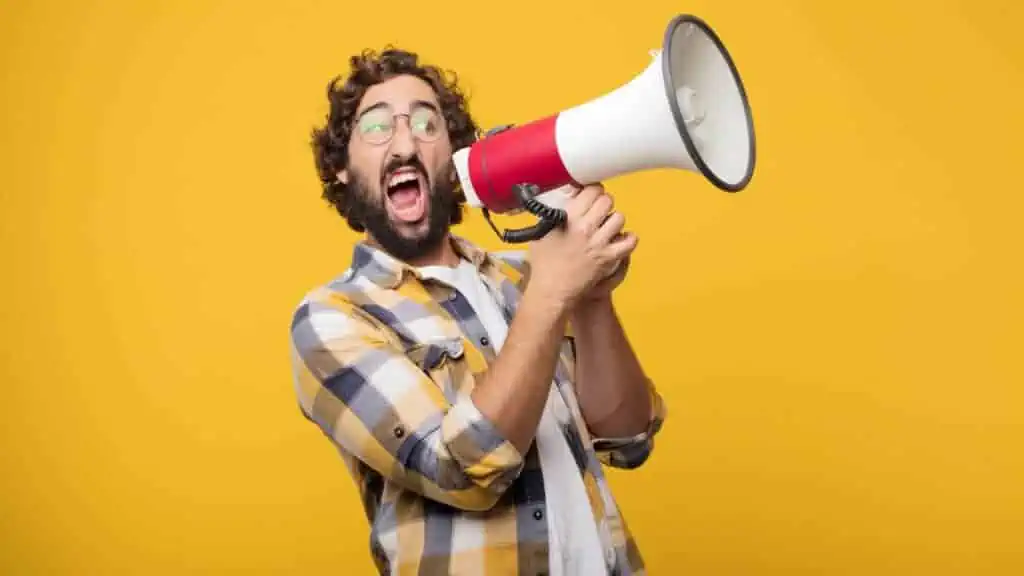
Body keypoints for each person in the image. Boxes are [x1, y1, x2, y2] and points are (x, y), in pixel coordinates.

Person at [288, 46, 667, 575]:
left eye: (426, 123)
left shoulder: (527, 276)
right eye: (376, 128)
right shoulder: (334, 318)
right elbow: (462, 472)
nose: (405, 142)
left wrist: (593, 299)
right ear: (342, 170)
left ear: (454, 158)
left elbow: (628, 439)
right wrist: (555, 292)